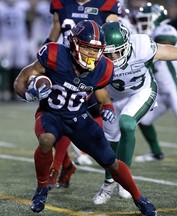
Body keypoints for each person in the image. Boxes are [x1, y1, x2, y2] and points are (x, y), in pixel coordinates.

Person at [13, 20, 157, 216]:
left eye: (96, 49)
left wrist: (106, 106)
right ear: (73, 44)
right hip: (51, 114)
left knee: (110, 161)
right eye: (87, 48)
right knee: (46, 139)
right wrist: (27, 95)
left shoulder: (103, 68)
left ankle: (139, 198)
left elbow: (102, 94)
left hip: (78, 117)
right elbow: (21, 79)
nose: (92, 54)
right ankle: (41, 189)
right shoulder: (55, 55)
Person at [92, 21, 177, 205]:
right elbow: (97, 86)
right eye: (108, 52)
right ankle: (109, 181)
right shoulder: (96, 56)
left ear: (127, 45)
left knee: (127, 124)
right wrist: (105, 105)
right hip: (111, 98)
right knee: (110, 140)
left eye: (117, 51)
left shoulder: (142, 47)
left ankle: (123, 180)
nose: (112, 57)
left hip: (140, 92)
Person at [44, 0, 122, 190]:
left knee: (67, 114)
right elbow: (55, 31)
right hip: (62, 65)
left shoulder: (107, 4)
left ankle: (56, 168)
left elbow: (114, 35)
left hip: (89, 69)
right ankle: (67, 166)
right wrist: (44, 57)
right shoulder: (61, 3)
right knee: (52, 117)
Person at [133, 2, 177, 162]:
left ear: (156, 18)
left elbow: (167, 41)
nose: (142, 25)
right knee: (143, 119)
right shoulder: (147, 37)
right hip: (161, 90)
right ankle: (156, 152)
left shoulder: (164, 29)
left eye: (145, 20)